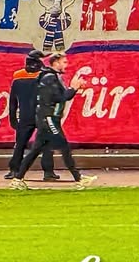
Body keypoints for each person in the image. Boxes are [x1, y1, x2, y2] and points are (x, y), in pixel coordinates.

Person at [9, 52, 98, 191]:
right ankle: (79, 178)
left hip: (47, 118)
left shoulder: (51, 77)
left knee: (35, 151)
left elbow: (60, 96)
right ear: (55, 63)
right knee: (64, 147)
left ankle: (18, 179)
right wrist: (73, 88)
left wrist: (74, 89)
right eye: (64, 62)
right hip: (49, 119)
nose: (66, 65)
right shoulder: (49, 78)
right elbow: (60, 97)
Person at [5, 49, 56, 182]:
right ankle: (48, 172)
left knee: (20, 143)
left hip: (24, 115)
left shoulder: (18, 77)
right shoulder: (43, 76)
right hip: (41, 114)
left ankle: (14, 170)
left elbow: (12, 101)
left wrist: (12, 118)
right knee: (46, 143)